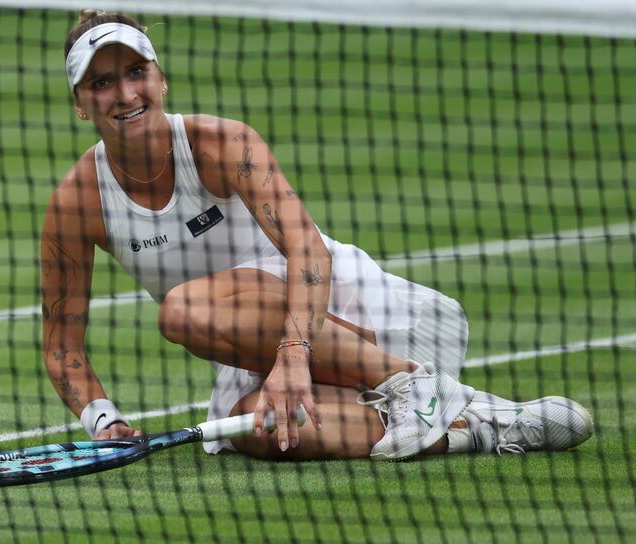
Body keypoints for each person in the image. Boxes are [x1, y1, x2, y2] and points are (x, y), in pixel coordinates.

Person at [41, 10, 593, 461]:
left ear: (161, 79)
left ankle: (408, 384)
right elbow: (62, 345)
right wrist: (103, 420)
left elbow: (307, 250)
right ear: (80, 103)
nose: (125, 93)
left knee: (181, 311)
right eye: (102, 82)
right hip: (253, 352)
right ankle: (479, 425)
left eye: (136, 72)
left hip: (350, 315)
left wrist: (294, 354)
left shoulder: (221, 144)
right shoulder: (76, 203)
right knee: (260, 432)